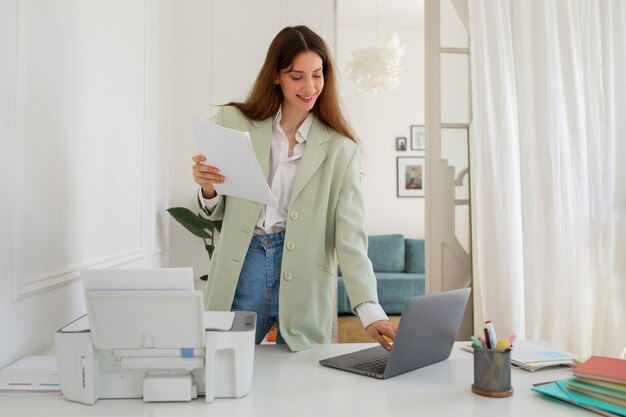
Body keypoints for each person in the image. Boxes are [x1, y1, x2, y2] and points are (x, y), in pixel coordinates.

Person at [191, 25, 396, 352]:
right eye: (296, 76)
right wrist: (208, 188)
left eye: (317, 75)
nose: (310, 87)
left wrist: (370, 310)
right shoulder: (233, 122)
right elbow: (214, 209)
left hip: (305, 280)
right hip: (245, 265)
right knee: (224, 364)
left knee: (302, 383)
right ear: (276, 76)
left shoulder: (342, 150)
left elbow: (350, 236)